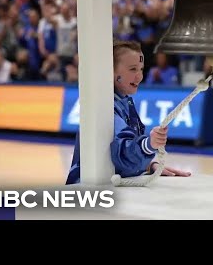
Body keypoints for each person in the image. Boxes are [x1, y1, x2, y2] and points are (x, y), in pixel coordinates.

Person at [66, 40, 190, 184]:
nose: (140, 76)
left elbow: (115, 159)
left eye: (141, 69)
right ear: (110, 70)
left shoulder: (124, 101)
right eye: (133, 69)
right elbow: (122, 152)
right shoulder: (105, 106)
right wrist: (148, 145)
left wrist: (149, 165)